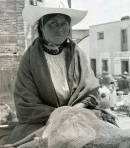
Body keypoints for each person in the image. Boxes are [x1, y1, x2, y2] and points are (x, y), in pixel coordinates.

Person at [7, 0, 100, 144]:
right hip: (43, 122)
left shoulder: (77, 54)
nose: (60, 29)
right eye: (53, 24)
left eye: (64, 24)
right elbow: (25, 103)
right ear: (41, 28)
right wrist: (58, 116)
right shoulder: (30, 59)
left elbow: (91, 92)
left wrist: (73, 111)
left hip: (79, 116)